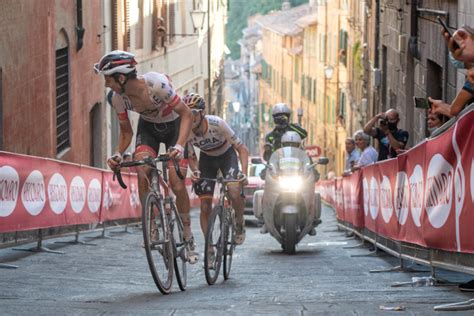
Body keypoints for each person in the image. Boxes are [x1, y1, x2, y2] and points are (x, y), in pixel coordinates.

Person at [94, 50, 198, 263]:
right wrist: (117, 153)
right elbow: (126, 132)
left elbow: (186, 113)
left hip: (174, 127)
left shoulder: (157, 84)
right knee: (143, 170)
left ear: (121, 78)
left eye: (108, 79)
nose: (106, 84)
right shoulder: (117, 98)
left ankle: (188, 235)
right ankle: (152, 224)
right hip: (148, 129)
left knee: (176, 184)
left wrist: (179, 146)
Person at [182, 93, 249, 251]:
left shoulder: (217, 123)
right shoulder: (186, 131)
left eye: (194, 114)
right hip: (207, 159)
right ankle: (209, 247)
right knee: (205, 206)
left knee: (233, 190)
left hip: (227, 156)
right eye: (187, 114)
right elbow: (191, 157)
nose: (190, 118)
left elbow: (242, 148)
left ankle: (239, 222)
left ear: (202, 113)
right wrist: (196, 171)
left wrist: (244, 173)